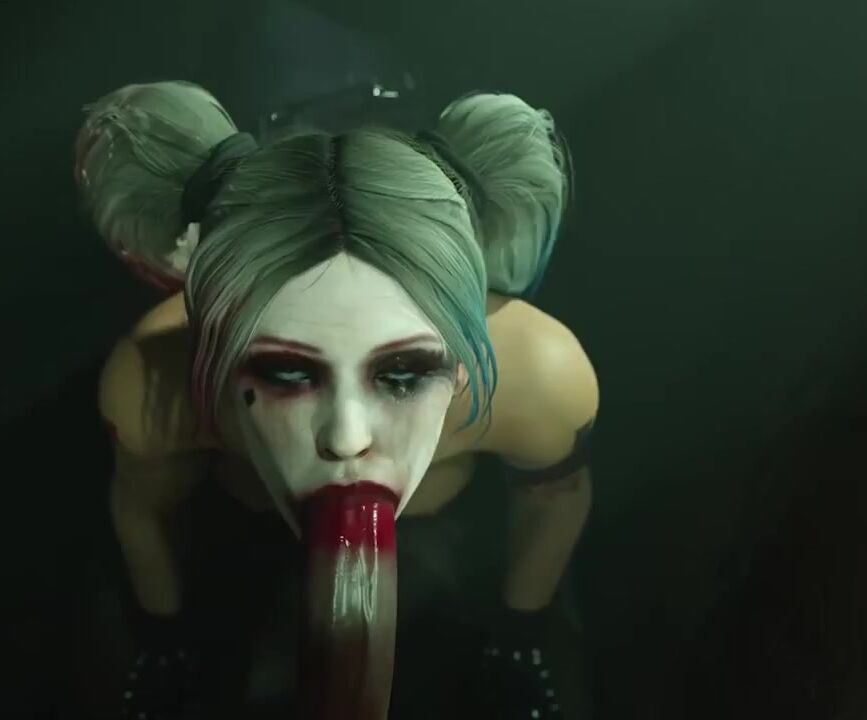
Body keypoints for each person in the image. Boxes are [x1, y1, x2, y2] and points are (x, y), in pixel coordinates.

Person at [75, 80, 598, 719]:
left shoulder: (541, 378)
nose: (347, 436)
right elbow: (144, 515)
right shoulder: (151, 386)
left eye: (403, 373)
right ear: (215, 354)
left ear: (464, 360)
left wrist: (521, 640)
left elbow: (555, 501)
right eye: (286, 373)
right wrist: (164, 643)